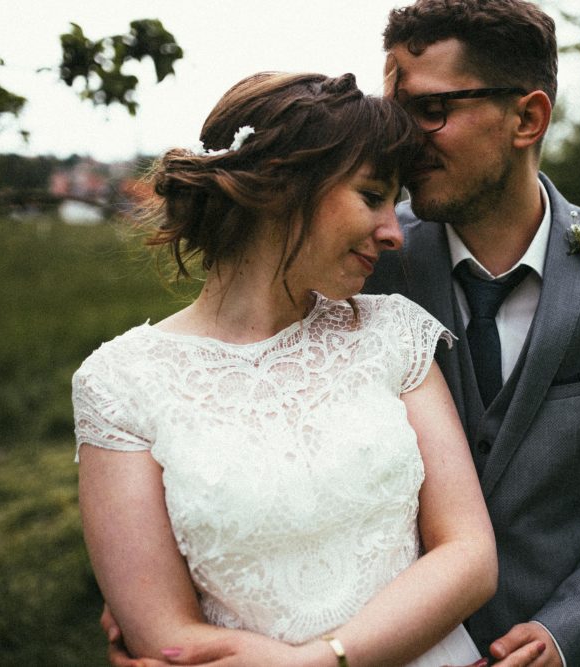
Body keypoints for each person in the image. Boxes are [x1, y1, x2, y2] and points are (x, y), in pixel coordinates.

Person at [73, 71, 503, 667]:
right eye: (373, 196)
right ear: (283, 187)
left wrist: (325, 660)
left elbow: (470, 557)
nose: (393, 233)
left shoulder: (391, 333)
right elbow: (162, 634)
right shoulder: (118, 385)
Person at [367, 1, 580, 665]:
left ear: (528, 118)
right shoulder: (370, 264)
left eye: (431, 111)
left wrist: (568, 629)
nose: (404, 140)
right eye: (395, 114)